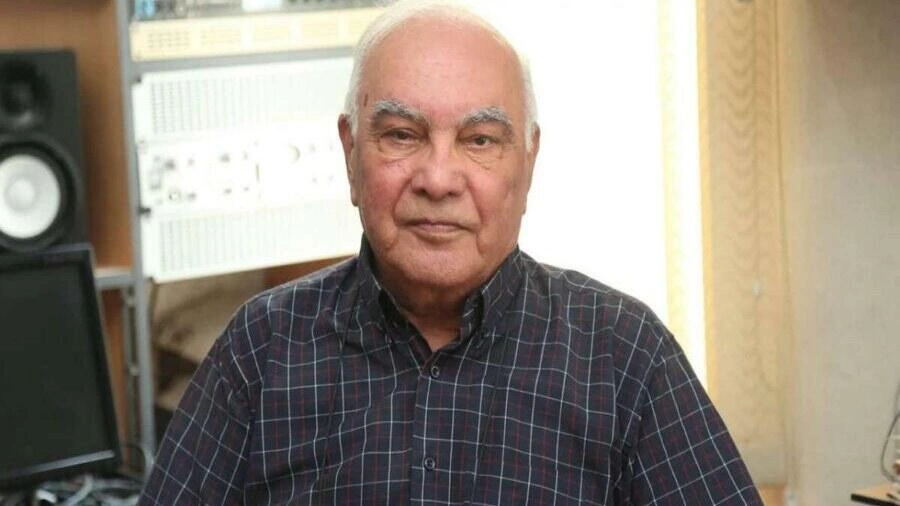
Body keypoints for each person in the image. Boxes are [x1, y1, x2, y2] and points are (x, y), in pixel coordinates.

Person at [139, 1, 763, 504]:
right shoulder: (262, 348)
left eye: (480, 140)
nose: (438, 179)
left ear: (528, 162)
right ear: (351, 153)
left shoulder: (623, 357)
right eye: (402, 135)